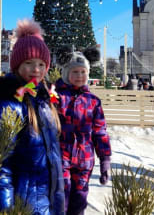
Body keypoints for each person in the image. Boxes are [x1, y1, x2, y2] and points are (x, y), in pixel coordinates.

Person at [0, 19, 64, 214]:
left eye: (41, 64)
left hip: (47, 203)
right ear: (16, 65)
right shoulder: (7, 103)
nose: (36, 69)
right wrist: (5, 208)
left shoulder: (44, 101)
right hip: (20, 205)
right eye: (29, 63)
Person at [55, 47, 112, 215]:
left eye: (83, 72)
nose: (80, 76)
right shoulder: (57, 97)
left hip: (84, 160)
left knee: (79, 200)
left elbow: (100, 132)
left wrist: (105, 160)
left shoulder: (93, 101)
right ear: (66, 73)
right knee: (61, 198)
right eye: (75, 72)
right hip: (61, 157)